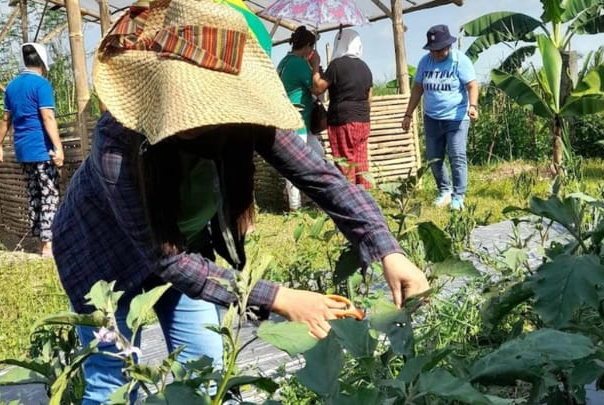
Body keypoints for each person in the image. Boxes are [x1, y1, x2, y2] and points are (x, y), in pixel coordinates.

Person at [51, 1, 430, 403]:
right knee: (114, 380)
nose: (198, 117)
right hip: (102, 259)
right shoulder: (120, 141)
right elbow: (164, 258)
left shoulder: (244, 115)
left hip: (183, 247)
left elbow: (324, 180)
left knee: (207, 371)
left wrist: (387, 249)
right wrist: (281, 299)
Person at [0, 42, 63, 257]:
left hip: (23, 151)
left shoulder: (11, 86)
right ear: (43, 63)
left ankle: (40, 243)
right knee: (49, 194)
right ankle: (48, 245)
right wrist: (58, 148)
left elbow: (5, 119)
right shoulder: (41, 85)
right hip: (42, 149)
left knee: (34, 195)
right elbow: (48, 117)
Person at [401, 24, 479, 211]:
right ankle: (444, 191)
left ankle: (458, 196)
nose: (436, 54)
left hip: (456, 118)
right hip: (432, 118)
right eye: (433, 50)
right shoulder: (425, 62)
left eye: (440, 50)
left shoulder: (460, 61)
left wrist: (473, 105)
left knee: (457, 156)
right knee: (434, 158)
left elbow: (472, 85)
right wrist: (408, 114)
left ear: (448, 46)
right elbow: (418, 88)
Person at [311, 29, 373, 189]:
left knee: (344, 163)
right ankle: (364, 199)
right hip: (363, 121)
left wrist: (316, 65)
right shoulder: (365, 67)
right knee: (361, 163)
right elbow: (369, 98)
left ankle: (347, 200)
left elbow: (318, 88)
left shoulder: (336, 65)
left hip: (342, 121)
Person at [277, 25, 325, 211]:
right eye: (311, 48)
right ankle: (295, 206)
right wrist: (315, 66)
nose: (312, 51)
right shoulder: (298, 63)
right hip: (297, 121)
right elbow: (316, 87)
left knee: (318, 154)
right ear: (306, 46)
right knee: (295, 163)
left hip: (295, 120)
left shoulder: (283, 62)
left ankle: (304, 196)